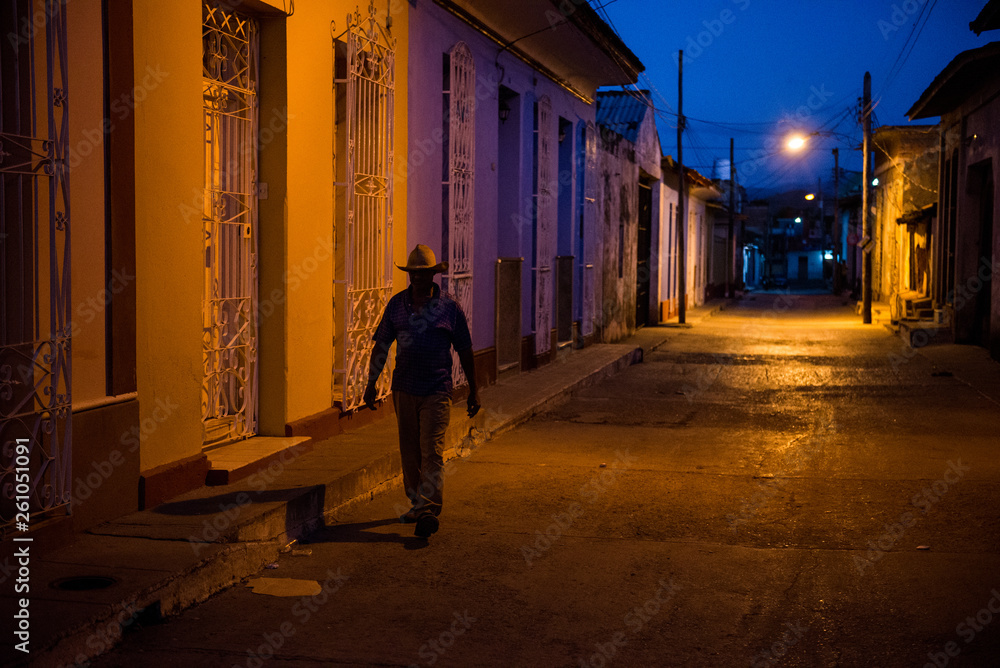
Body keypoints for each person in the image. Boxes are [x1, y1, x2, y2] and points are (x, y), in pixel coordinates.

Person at [364, 244, 480, 538]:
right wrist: (371, 382)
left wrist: (474, 390)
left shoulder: (449, 309)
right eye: (413, 273)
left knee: (431, 451)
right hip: (404, 389)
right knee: (410, 452)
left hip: (437, 390)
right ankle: (417, 503)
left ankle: (429, 508)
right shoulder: (396, 306)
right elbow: (381, 345)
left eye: (422, 274)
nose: (416, 278)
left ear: (433, 276)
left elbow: (465, 350)